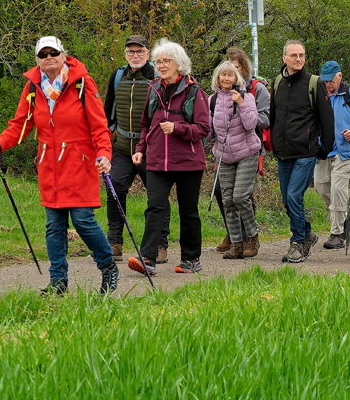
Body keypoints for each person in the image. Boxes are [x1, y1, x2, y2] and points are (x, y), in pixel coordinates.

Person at [0, 36, 118, 296]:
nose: (49, 58)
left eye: (53, 53)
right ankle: (58, 282)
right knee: (54, 226)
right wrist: (0, 143)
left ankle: (108, 266)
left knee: (83, 221)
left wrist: (104, 154)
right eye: (43, 54)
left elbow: (99, 125)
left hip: (80, 163)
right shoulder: (33, 88)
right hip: (50, 166)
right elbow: (20, 124)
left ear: (63, 55)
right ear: (37, 60)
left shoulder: (82, 83)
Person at [128, 39, 211, 276]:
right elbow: (146, 124)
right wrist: (140, 149)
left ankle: (191, 259)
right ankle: (147, 258)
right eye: (158, 61)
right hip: (156, 160)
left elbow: (204, 129)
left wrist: (178, 128)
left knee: (188, 211)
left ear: (179, 63)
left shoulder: (196, 92)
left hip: (188, 163)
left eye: (166, 61)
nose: (162, 65)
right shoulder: (153, 88)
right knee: (155, 207)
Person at [102, 35, 170, 263]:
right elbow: (108, 109)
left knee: (157, 197)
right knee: (114, 189)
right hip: (121, 147)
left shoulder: (158, 76)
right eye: (130, 52)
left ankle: (160, 245)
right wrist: (105, 135)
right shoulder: (118, 75)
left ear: (147, 54)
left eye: (139, 51)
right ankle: (114, 243)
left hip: (151, 148)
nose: (135, 56)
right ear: (125, 54)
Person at [270, 40, 335, 263]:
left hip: (306, 152)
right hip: (283, 153)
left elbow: (327, 118)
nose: (299, 59)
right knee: (287, 201)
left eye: (302, 55)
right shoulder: (277, 82)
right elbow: (273, 117)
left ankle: (297, 243)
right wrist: (274, 145)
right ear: (284, 58)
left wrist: (324, 149)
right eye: (294, 55)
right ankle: (307, 233)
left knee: (294, 195)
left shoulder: (314, 83)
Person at [213, 47, 270, 256]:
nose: (227, 78)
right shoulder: (213, 100)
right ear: (218, 77)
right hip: (224, 155)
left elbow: (251, 124)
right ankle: (236, 243)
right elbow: (210, 130)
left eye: (231, 73)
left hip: (247, 152)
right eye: (224, 74)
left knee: (240, 197)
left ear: (238, 76)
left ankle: (252, 237)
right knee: (227, 199)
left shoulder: (247, 97)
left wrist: (241, 103)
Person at [313, 61, 350, 250]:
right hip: (324, 151)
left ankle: (337, 233)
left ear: (339, 76)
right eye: (324, 81)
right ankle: (343, 219)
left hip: (345, 152)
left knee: (337, 190)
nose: (327, 85)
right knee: (320, 187)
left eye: (330, 81)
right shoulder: (320, 95)